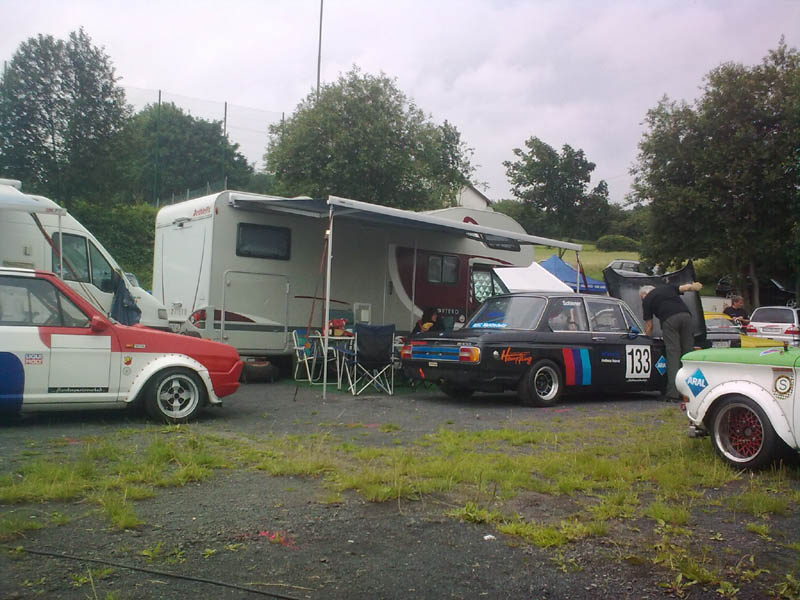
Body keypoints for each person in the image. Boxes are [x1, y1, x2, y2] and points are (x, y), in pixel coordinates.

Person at [640, 281, 703, 402]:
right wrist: (694, 286)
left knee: (673, 354)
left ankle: (673, 394)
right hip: (686, 316)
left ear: (644, 294)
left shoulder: (647, 300)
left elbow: (649, 325)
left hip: (670, 320)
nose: (642, 300)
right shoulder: (666, 288)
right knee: (688, 354)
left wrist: (646, 340)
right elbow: (684, 288)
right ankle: (691, 392)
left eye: (641, 298)